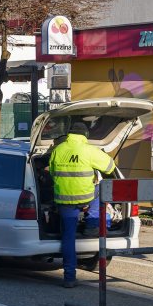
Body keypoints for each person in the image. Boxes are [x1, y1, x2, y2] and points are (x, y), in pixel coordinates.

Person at [48, 120, 118, 288]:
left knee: (68, 239)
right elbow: (110, 167)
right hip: (86, 197)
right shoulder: (89, 151)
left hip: (64, 201)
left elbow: (51, 173)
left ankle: (69, 278)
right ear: (85, 136)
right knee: (102, 189)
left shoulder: (58, 150)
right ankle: (93, 223)